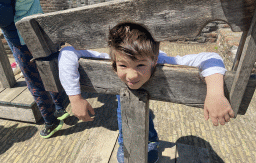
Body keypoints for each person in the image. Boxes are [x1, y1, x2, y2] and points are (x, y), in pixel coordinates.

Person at [58, 22, 234, 163]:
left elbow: (211, 57)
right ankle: (124, 141)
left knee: (139, 103)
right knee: (125, 101)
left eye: (141, 65)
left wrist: (215, 94)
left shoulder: (163, 59)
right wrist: (75, 97)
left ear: (154, 60)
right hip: (124, 109)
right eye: (123, 66)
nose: (132, 75)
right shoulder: (114, 56)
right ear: (115, 60)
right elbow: (67, 51)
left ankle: (150, 141)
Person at [0, 0, 69, 139]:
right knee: (50, 69)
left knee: (34, 81)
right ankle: (60, 106)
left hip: (21, 38)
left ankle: (50, 121)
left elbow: (4, 19)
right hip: (41, 29)